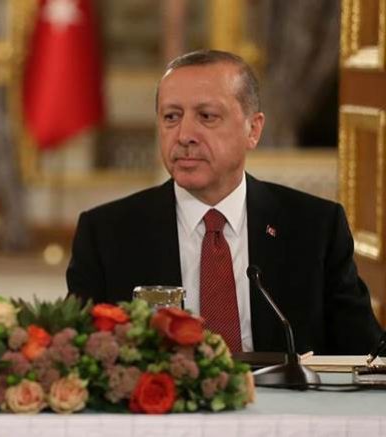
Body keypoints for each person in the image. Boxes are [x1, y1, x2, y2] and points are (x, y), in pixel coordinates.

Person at [67, 50, 381, 355]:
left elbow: (368, 356)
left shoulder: (315, 228)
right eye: (171, 117)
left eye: (207, 116)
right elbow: (77, 355)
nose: (184, 135)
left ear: (253, 130)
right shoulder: (107, 234)